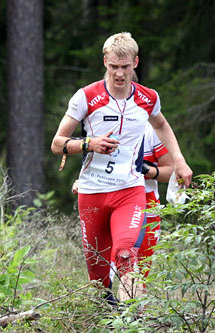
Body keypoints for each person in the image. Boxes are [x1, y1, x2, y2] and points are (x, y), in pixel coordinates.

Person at [51, 32, 192, 303]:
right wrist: (89, 143)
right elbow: (57, 143)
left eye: (125, 67)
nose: (119, 74)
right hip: (92, 192)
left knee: (126, 252)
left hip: (129, 190)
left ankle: (131, 318)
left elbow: (161, 125)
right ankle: (108, 314)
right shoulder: (86, 97)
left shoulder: (148, 98)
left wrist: (179, 160)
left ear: (135, 63)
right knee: (98, 278)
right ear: (105, 62)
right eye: (114, 66)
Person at [71, 122, 174, 286]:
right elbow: (93, 166)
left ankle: (135, 310)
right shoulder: (103, 122)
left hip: (146, 205)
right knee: (105, 271)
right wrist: (82, 183)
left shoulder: (151, 129)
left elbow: (172, 171)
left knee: (137, 271)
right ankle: (104, 309)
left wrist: (146, 169)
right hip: (108, 203)